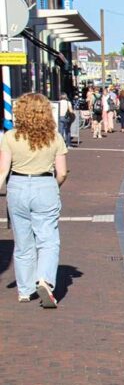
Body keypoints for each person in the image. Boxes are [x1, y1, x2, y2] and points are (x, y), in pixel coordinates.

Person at [0, 93, 68, 307]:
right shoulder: (54, 137)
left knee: (22, 241)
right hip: (45, 185)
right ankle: (45, 280)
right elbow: (62, 172)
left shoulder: (10, 137)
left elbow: (3, 169)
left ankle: (25, 289)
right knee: (48, 239)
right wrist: (52, 186)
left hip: (17, 187)